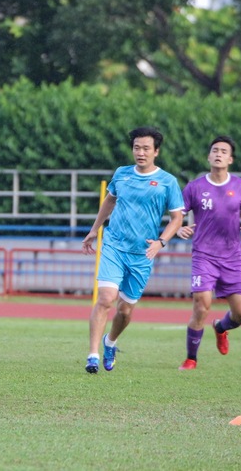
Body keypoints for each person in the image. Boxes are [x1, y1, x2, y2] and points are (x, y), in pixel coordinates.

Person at [82, 127, 184, 374]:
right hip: (114, 246)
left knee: (125, 311)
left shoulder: (167, 182)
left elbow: (177, 218)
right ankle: (93, 355)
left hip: (142, 254)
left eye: (146, 148)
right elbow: (109, 201)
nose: (140, 152)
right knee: (106, 298)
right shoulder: (122, 174)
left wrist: (161, 242)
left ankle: (110, 342)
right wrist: (95, 229)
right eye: (137, 147)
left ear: (156, 152)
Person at [176, 136, 241, 370]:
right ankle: (191, 358)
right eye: (215, 150)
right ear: (209, 156)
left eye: (223, 151)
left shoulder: (240, 186)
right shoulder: (195, 187)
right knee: (202, 304)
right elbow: (177, 214)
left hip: (232, 257)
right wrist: (179, 226)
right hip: (204, 256)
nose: (218, 154)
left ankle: (220, 328)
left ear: (230, 159)